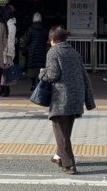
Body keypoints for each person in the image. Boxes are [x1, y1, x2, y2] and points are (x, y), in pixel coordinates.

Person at [39, 25, 96, 175]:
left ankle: (69, 164)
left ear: (52, 40)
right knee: (65, 131)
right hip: (76, 97)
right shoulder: (74, 52)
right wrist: (89, 100)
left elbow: (52, 75)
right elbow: (84, 76)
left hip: (61, 99)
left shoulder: (53, 52)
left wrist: (42, 74)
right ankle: (59, 156)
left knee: (60, 132)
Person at [25, 12, 49, 91]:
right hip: (42, 50)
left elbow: (28, 40)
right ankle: (40, 83)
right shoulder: (45, 28)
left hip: (33, 50)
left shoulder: (31, 28)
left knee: (32, 69)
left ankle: (33, 85)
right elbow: (46, 38)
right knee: (41, 68)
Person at [0, 6, 17, 97]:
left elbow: (10, 40)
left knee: (6, 71)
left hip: (7, 52)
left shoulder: (11, 26)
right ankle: (3, 89)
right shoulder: (8, 24)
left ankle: (6, 89)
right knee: (3, 71)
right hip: (4, 50)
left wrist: (10, 53)